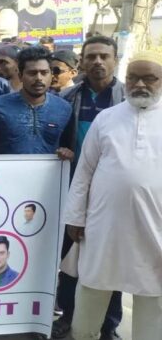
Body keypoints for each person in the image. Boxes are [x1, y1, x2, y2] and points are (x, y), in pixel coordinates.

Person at [63, 50, 162, 340]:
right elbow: (84, 171)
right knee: (92, 288)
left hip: (155, 227)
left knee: (153, 294)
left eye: (149, 78)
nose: (140, 84)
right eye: (133, 78)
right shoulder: (106, 119)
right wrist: (75, 217)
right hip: (104, 226)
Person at [54, 36, 125, 340]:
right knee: (70, 258)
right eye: (91, 56)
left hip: (113, 195)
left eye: (104, 56)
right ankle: (69, 317)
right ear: (81, 62)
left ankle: (109, 326)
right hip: (74, 189)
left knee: (114, 261)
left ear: (115, 60)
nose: (97, 62)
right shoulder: (67, 97)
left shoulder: (127, 98)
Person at [0, 47, 73, 157]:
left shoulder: (64, 108)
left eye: (44, 73)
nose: (39, 78)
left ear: (51, 75)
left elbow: (69, 147)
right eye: (32, 73)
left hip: (50, 168)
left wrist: (68, 153)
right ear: (20, 76)